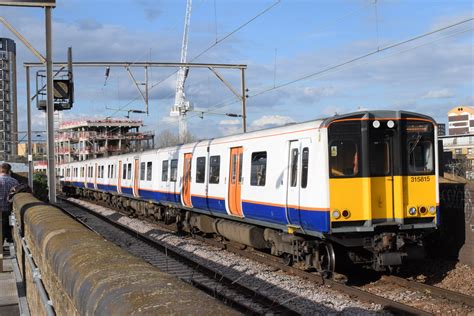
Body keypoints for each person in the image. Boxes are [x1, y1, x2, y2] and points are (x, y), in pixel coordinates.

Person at [0, 163, 19, 244]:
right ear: (9, 171)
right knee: (8, 228)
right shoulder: (14, 181)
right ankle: (9, 238)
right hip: (9, 210)